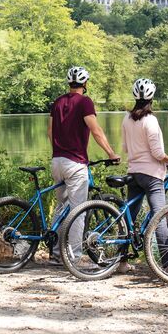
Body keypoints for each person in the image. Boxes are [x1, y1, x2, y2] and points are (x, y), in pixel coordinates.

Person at [49, 66, 119, 264]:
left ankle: (56, 254)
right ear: (85, 84)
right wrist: (111, 153)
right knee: (78, 211)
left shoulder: (58, 102)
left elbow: (50, 132)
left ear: (69, 83)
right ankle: (75, 257)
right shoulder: (85, 102)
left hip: (57, 161)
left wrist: (58, 150)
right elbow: (96, 131)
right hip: (75, 163)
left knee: (61, 208)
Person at [120, 78, 168, 273]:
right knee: (160, 218)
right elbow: (157, 154)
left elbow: (125, 148)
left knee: (128, 218)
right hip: (152, 175)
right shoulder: (151, 121)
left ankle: (121, 262)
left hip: (133, 173)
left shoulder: (127, 119)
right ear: (152, 98)